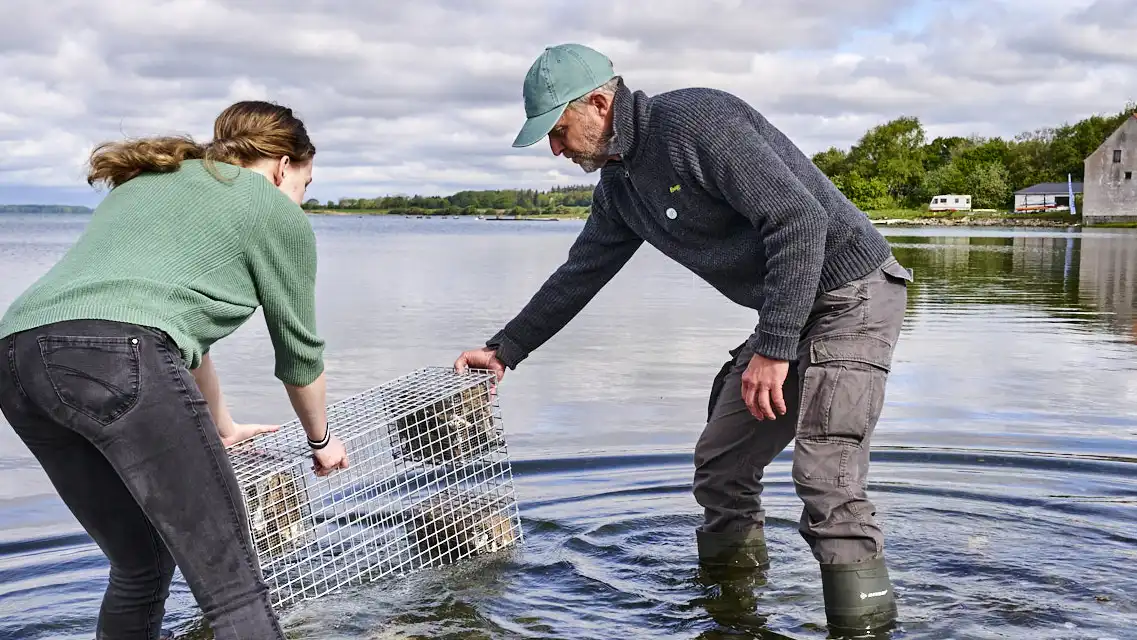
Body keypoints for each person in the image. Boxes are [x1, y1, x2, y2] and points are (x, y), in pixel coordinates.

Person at [454, 44, 912, 634]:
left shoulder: (696, 122)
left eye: (560, 131)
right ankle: (733, 615)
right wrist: (504, 350)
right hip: (788, 307)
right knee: (721, 465)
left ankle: (865, 631)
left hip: (852, 295)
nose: (556, 149)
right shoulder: (620, 190)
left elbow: (800, 221)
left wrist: (773, 350)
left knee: (826, 479)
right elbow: (581, 271)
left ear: (599, 103)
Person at [0, 100, 350, 640]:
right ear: (285, 166)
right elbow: (299, 356)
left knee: (141, 564)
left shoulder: (147, 182)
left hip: (16, 358)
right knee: (235, 592)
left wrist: (224, 429)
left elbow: (185, 342)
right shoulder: (273, 209)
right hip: (119, 355)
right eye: (307, 182)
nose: (302, 196)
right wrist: (321, 440)